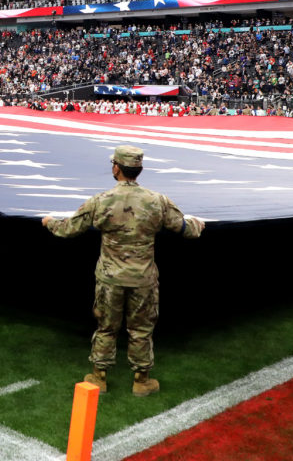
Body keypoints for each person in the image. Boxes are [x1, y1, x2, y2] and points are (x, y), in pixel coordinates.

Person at [42, 145, 205, 397]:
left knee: (106, 327)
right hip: (143, 279)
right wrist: (199, 223)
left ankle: (99, 377)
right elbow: (187, 229)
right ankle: (141, 380)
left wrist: (49, 221)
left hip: (110, 278)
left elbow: (68, 229)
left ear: (116, 168)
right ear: (139, 169)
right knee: (141, 329)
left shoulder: (102, 200)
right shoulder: (157, 200)